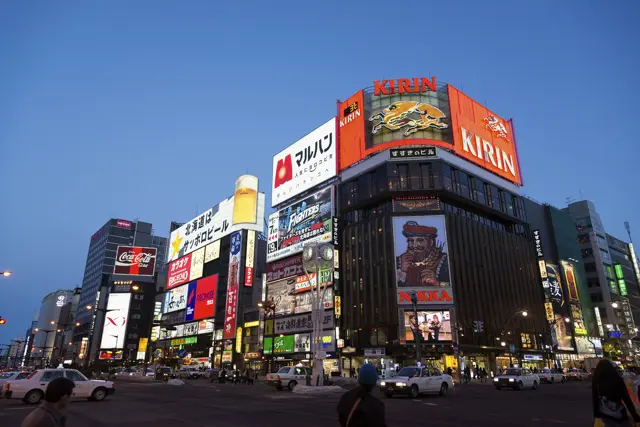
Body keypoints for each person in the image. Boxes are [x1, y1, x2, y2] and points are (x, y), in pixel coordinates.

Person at [592, 359, 640, 426]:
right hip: (619, 411)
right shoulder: (617, 379)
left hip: (605, 412)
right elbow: (626, 398)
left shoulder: (596, 381)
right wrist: (634, 415)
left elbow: (595, 398)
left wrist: (596, 414)